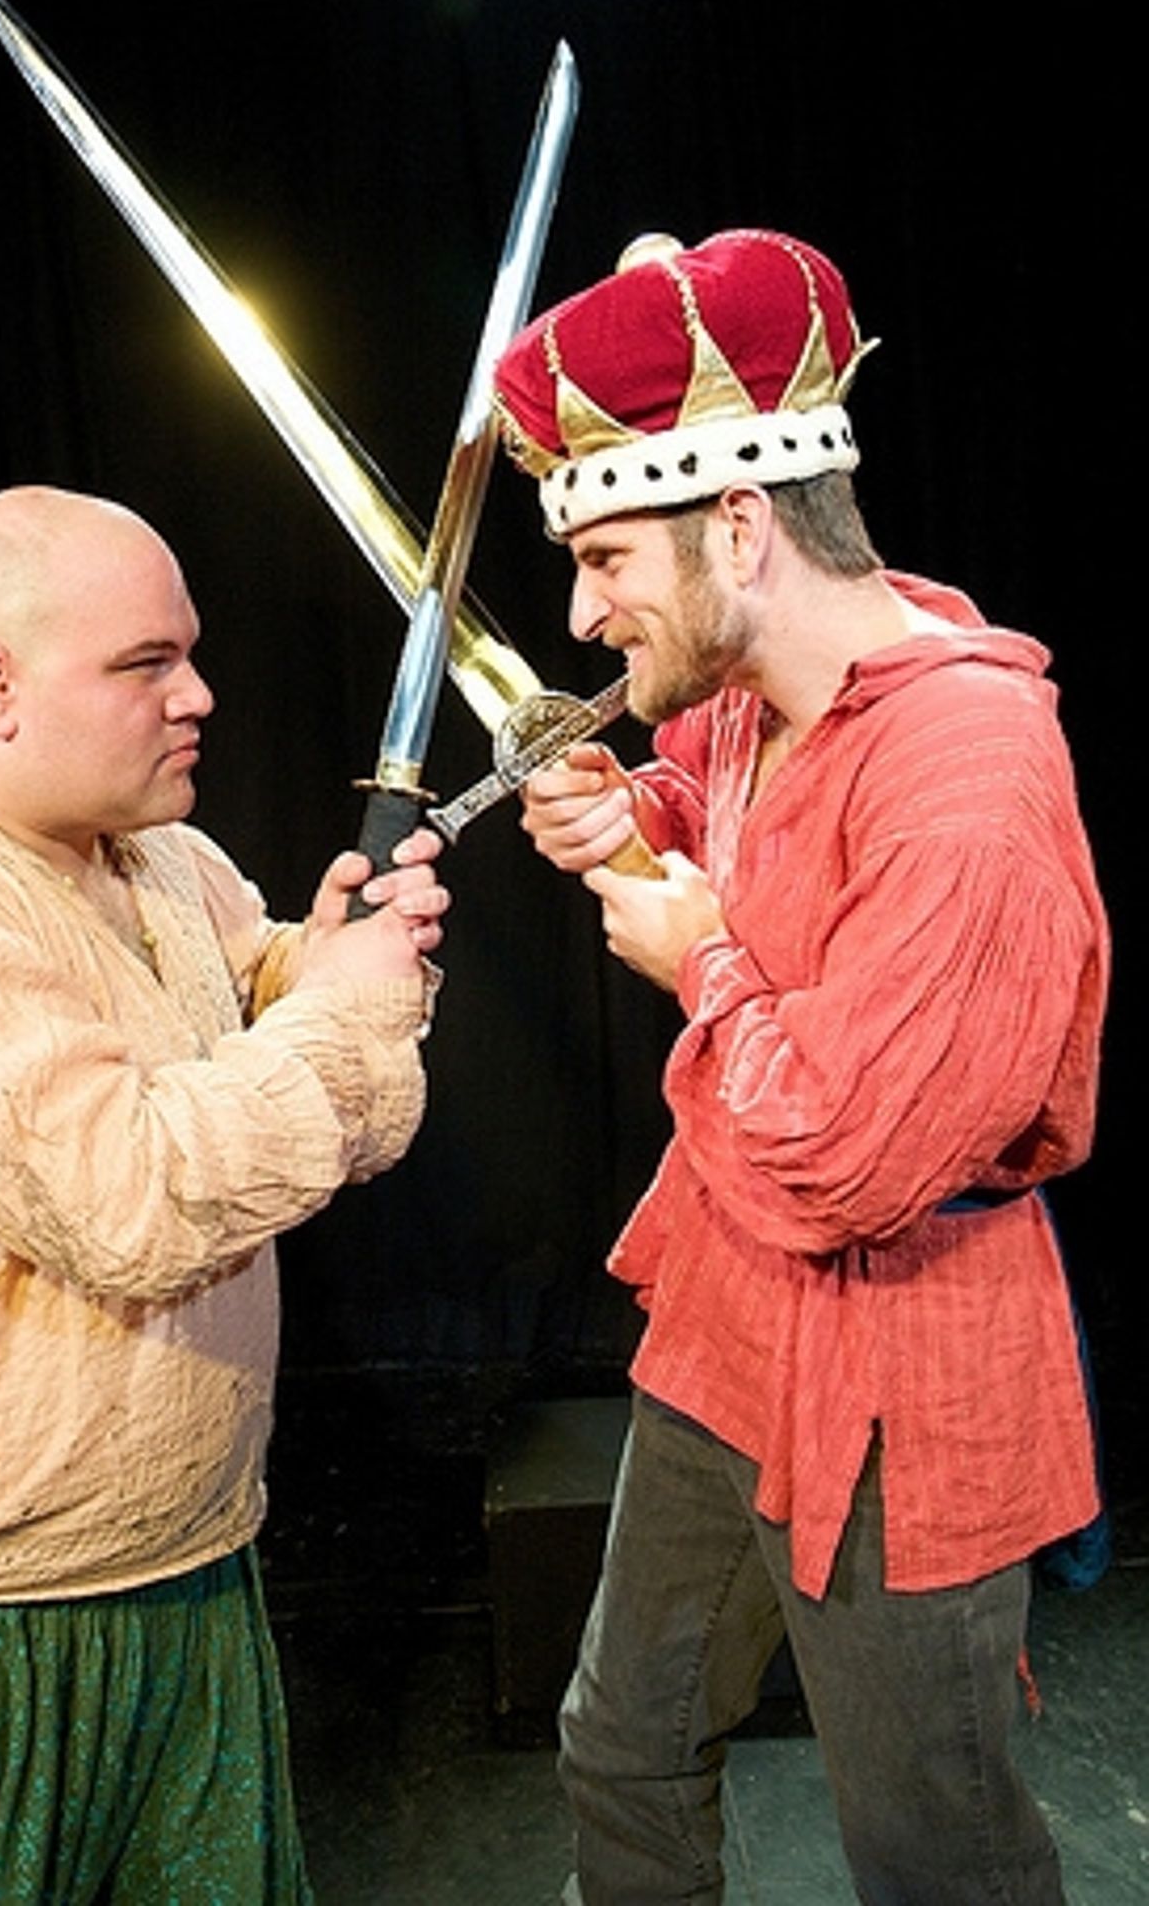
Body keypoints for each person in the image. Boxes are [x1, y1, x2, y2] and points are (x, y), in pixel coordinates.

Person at [490, 230, 1110, 1905]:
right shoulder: (760, 694)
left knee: (933, 1850)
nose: (581, 612)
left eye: (606, 557)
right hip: (731, 1315)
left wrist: (695, 953)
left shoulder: (969, 776)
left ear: (741, 525)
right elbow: (741, 833)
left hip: (906, 1355)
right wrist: (638, 813)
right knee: (621, 1745)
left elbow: (843, 1149)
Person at [0, 483, 448, 1904]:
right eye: (145, 664)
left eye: (189, 653)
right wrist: (346, 1014)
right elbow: (144, 1199)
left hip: (187, 1580)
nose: (197, 695)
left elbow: (292, 1066)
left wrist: (324, 962)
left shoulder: (165, 860)